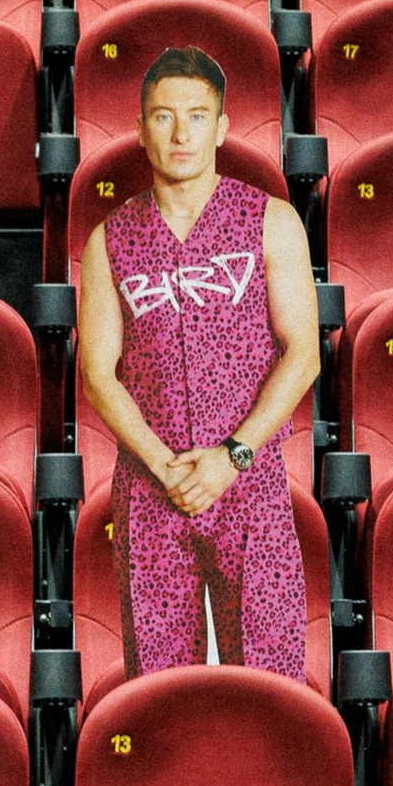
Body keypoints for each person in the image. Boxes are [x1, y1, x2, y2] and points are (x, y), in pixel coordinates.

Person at [74, 44, 321, 678]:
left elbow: (304, 355)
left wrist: (229, 458)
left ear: (222, 127)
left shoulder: (272, 221)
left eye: (196, 115)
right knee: (158, 683)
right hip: (152, 488)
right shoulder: (110, 239)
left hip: (250, 479)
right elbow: (99, 375)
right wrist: (167, 467)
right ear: (139, 129)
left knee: (271, 675)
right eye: (162, 116)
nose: (181, 132)